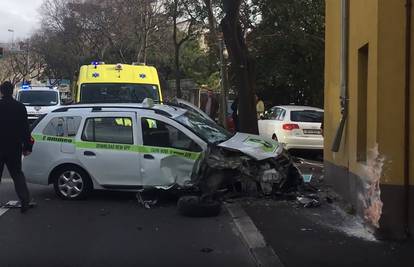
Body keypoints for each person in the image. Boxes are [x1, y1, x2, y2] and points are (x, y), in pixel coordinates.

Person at [0, 81, 33, 213]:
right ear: (12, 91)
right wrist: (27, 146)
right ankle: (24, 201)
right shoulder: (19, 107)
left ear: (1, 91)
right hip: (14, 147)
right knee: (17, 174)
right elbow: (25, 129)